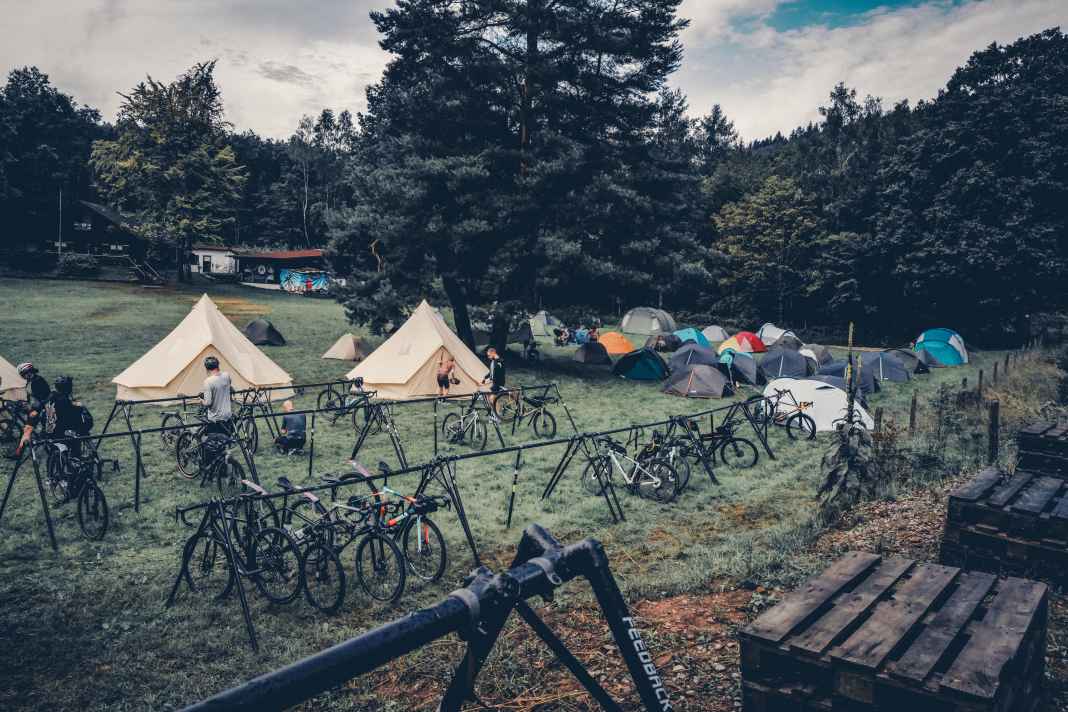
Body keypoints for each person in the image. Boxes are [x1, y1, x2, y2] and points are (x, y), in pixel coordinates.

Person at [200, 355, 233, 438]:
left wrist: (200, 401)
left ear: (206, 368)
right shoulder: (226, 375)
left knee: (213, 442)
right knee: (224, 440)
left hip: (216, 418)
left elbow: (208, 403)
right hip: (227, 414)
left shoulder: (208, 381)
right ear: (218, 365)